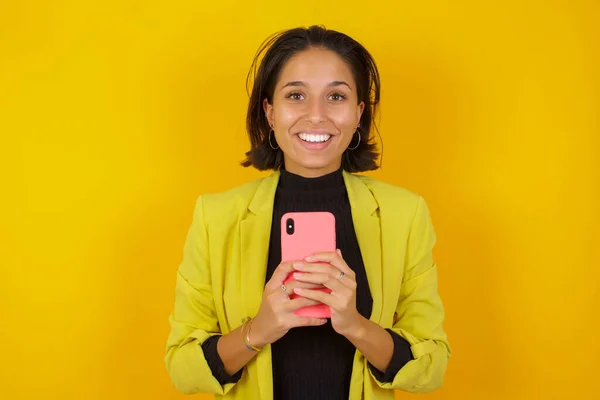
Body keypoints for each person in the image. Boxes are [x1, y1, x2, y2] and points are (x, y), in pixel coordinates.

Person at [164, 25, 451, 400]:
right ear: (269, 111)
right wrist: (258, 331)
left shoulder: (404, 214)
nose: (316, 116)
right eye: (296, 95)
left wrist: (356, 326)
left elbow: (432, 366)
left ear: (359, 113)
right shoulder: (215, 217)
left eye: (336, 96)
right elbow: (182, 367)